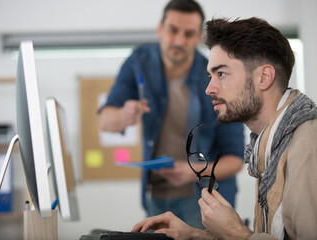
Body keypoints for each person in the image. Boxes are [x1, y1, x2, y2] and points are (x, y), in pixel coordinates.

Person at [131, 17, 317, 240]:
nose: (209, 89)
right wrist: (198, 236)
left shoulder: (309, 152)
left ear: (264, 77)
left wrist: (237, 233)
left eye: (221, 74)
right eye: (210, 76)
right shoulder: (273, 146)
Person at [98, 0, 244, 229]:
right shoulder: (139, 61)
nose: (178, 40)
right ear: (160, 28)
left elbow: (235, 159)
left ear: (199, 38)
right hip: (156, 196)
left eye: (188, 34)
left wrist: (192, 172)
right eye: (172, 30)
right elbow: (106, 121)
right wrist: (124, 116)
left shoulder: (216, 79)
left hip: (206, 202)